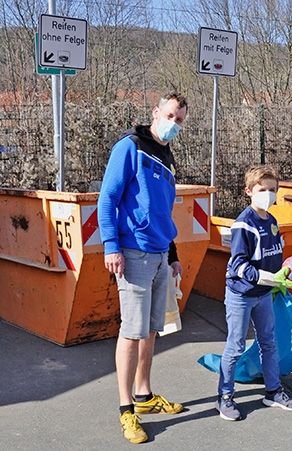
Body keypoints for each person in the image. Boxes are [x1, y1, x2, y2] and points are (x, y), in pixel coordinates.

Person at [98, 92, 188, 444]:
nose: (173, 124)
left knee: (151, 330)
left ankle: (144, 395)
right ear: (155, 112)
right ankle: (126, 410)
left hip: (160, 254)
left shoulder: (167, 156)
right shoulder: (130, 146)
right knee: (131, 333)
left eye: (179, 120)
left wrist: (173, 252)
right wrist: (111, 246)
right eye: (170, 116)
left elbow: (164, 210)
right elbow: (108, 197)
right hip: (132, 253)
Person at [216, 165, 292, 421]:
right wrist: (267, 277)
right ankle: (224, 396)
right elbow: (238, 264)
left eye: (272, 190)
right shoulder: (243, 224)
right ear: (248, 191)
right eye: (262, 189)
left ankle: (274, 392)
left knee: (269, 342)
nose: (267, 194)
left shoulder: (272, 220)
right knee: (235, 347)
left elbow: (274, 255)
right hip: (241, 295)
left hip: (265, 294)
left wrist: (283, 275)